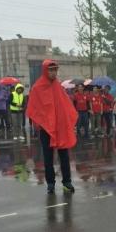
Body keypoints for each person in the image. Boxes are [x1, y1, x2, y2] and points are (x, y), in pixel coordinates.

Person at [26, 60, 77, 194]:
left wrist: (67, 122)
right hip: (45, 129)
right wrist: (38, 125)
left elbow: (65, 106)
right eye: (51, 70)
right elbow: (34, 108)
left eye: (55, 69)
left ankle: (67, 182)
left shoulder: (58, 87)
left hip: (60, 127)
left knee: (64, 155)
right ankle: (50, 183)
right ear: (45, 70)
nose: (54, 72)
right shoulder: (37, 88)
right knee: (48, 157)